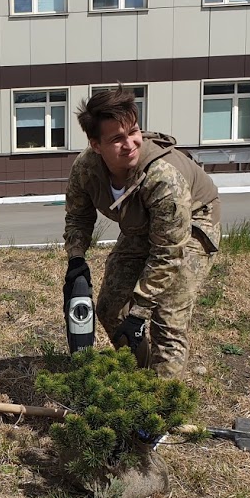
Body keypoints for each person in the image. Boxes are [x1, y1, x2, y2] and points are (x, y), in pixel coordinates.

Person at [62, 88, 220, 379]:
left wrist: (140, 311)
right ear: (96, 145)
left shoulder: (164, 178)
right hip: (141, 226)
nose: (130, 144)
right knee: (110, 309)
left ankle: (160, 401)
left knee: (167, 323)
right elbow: (78, 216)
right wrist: (76, 260)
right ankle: (139, 377)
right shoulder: (86, 169)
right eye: (116, 139)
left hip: (191, 226)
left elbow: (168, 252)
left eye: (133, 132)